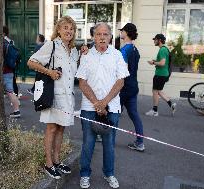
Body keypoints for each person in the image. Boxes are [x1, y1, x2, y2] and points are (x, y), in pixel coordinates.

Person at [76, 22, 129, 189]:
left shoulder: (117, 55)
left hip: (111, 108)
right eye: (98, 34)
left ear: (110, 37)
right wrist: (96, 103)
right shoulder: (86, 55)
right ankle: (85, 174)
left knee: (109, 144)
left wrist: (103, 103)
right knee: (88, 144)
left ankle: (109, 173)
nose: (102, 37)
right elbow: (82, 82)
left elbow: (120, 82)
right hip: (89, 108)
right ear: (93, 36)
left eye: (105, 34)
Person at [27, 16, 78, 179]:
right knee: (52, 128)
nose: (69, 31)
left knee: (61, 128)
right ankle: (49, 164)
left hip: (68, 97)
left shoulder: (74, 50)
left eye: (71, 28)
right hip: (54, 96)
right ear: (58, 30)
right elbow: (31, 62)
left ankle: (57, 161)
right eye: (65, 28)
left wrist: (84, 51)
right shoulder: (52, 45)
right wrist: (50, 72)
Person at [119, 23, 144, 152]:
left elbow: (121, 70)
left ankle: (104, 137)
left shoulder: (124, 50)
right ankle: (140, 143)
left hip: (123, 87)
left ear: (127, 32)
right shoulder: (135, 49)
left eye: (122, 30)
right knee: (134, 114)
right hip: (133, 86)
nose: (120, 32)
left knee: (113, 112)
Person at [146, 34, 176, 117]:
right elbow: (164, 62)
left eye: (155, 40)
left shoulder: (162, 50)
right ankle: (171, 105)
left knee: (155, 91)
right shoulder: (165, 49)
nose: (154, 41)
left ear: (159, 40)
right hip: (163, 74)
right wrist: (156, 61)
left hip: (160, 74)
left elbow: (162, 63)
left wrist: (153, 63)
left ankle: (155, 111)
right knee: (158, 91)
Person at [3, 26, 21, 118]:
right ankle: (16, 110)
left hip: (3, 71)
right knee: (10, 91)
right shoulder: (10, 43)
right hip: (10, 70)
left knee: (9, 92)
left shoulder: (1, 44)